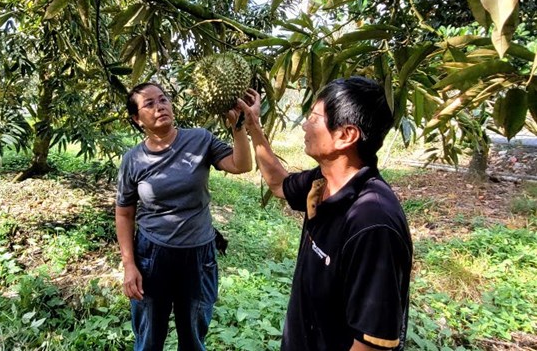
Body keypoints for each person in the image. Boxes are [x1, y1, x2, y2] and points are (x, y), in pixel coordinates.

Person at [237, 76, 413, 351]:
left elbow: (372, 344)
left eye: (314, 118)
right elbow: (278, 183)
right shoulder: (323, 181)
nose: (305, 125)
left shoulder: (372, 223)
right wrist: (254, 128)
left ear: (346, 135)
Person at [115, 82, 252, 351]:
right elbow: (124, 212)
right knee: (149, 337)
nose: (160, 107)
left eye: (163, 99)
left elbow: (241, 165)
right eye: (149, 104)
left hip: (198, 254)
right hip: (152, 255)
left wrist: (239, 127)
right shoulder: (133, 160)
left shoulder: (199, 139)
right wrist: (129, 264)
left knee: (193, 335)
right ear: (136, 118)